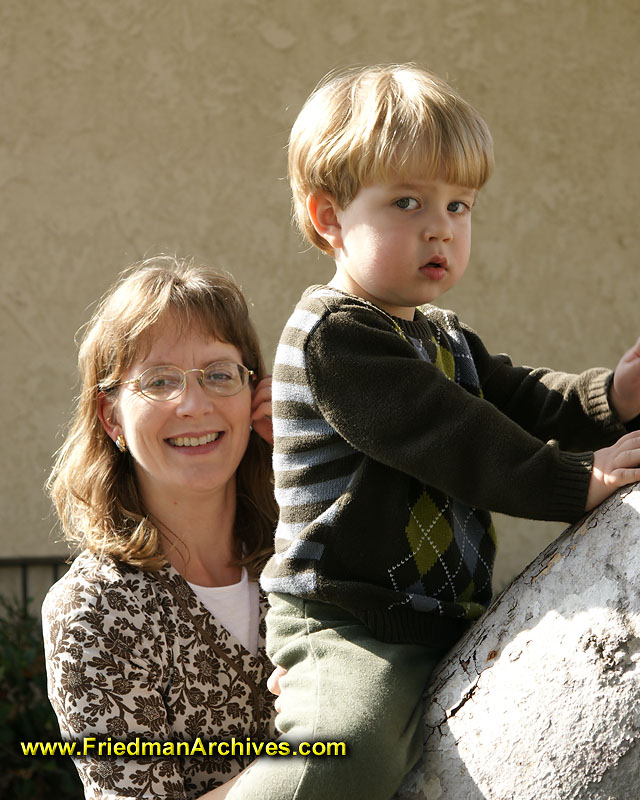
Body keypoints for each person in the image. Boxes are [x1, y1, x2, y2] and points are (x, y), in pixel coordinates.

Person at [227, 64, 640, 799]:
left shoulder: (442, 336)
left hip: (434, 617)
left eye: (460, 205)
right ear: (328, 219)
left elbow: (517, 398)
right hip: (348, 618)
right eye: (408, 202)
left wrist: (609, 395)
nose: (439, 227)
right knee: (346, 749)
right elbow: (459, 437)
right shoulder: (338, 339)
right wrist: (579, 481)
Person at [43, 255, 280, 799]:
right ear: (111, 418)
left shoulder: (305, 555)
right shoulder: (95, 609)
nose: (194, 405)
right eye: (159, 381)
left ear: (253, 395)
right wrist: (299, 765)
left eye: (220, 374)